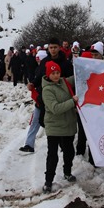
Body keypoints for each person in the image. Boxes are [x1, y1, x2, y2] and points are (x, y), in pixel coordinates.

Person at [41, 61, 78, 192]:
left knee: (69, 152)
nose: (56, 76)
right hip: (54, 126)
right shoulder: (47, 89)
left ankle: (67, 172)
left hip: (68, 124)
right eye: (53, 73)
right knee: (53, 155)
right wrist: (72, 101)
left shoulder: (64, 82)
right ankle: (48, 181)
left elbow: (78, 76)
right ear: (48, 75)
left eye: (57, 72)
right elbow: (55, 108)